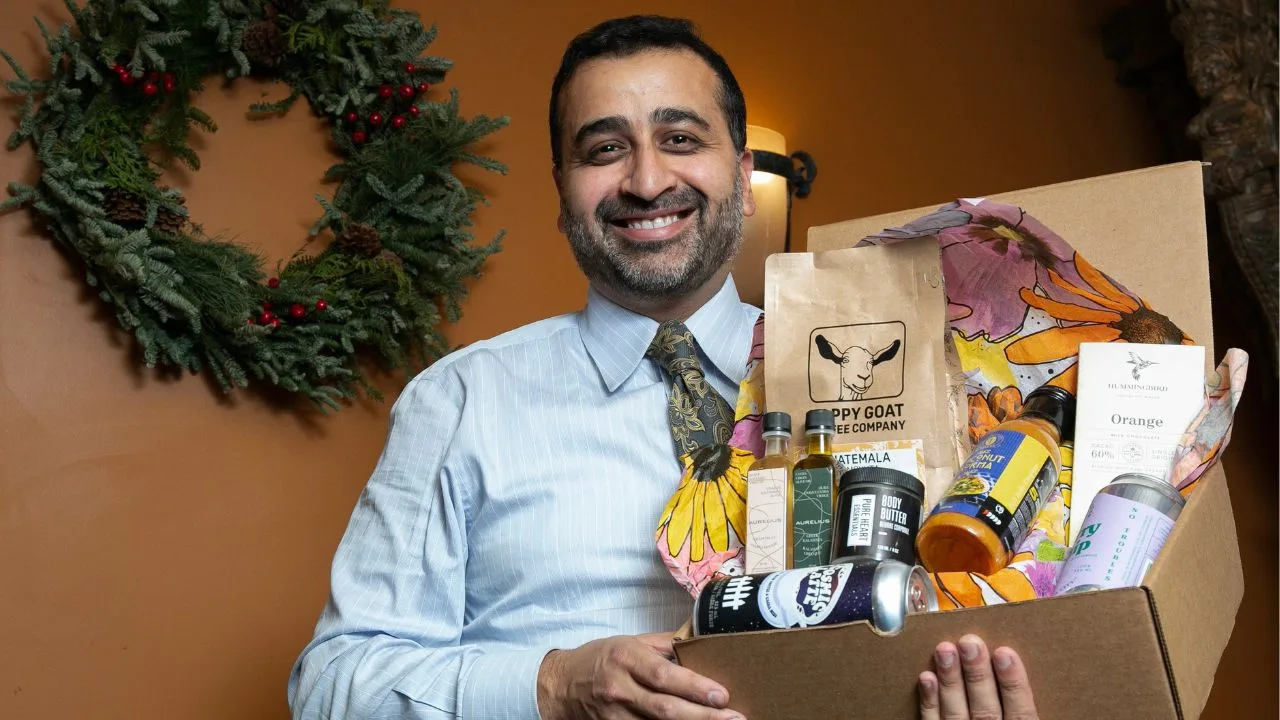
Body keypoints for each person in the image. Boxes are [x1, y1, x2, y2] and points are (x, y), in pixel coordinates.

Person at [288, 15, 1039, 720]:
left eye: (680, 138)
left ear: (744, 179)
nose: (647, 181)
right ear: (562, 191)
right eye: (604, 149)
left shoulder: (897, 366)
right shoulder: (460, 399)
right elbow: (330, 684)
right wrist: (552, 684)